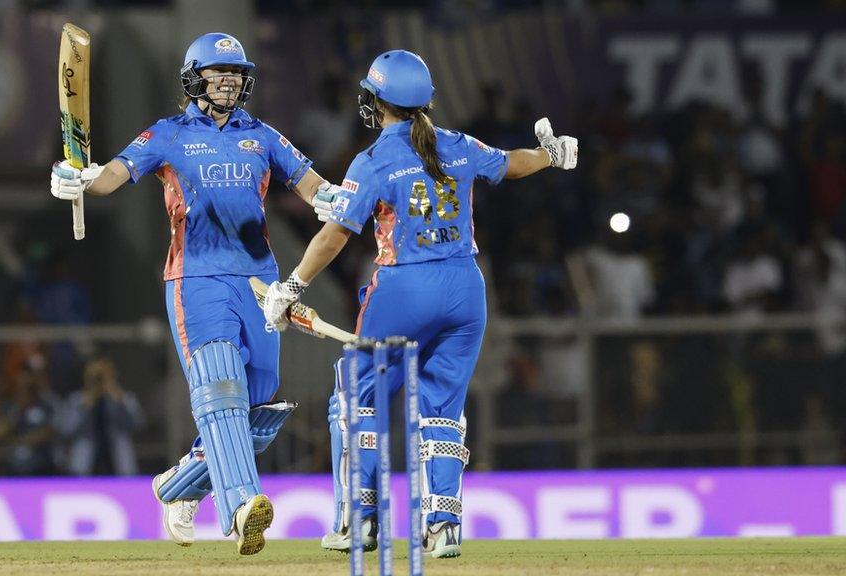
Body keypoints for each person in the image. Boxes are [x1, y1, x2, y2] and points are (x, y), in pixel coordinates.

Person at [262, 49, 577, 558]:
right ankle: (444, 525)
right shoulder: (457, 144)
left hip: (404, 289)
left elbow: (336, 235)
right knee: (443, 411)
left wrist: (291, 286)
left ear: (377, 101)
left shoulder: (374, 160)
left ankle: (359, 522)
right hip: (465, 290)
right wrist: (552, 155)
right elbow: (511, 164)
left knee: (356, 400)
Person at [49, 32, 337, 555]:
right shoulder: (167, 134)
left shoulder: (262, 135)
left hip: (260, 282)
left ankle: (178, 487)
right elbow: (111, 176)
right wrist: (77, 179)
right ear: (194, 78)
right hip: (197, 278)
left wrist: (342, 198)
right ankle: (243, 505)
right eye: (218, 71)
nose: (229, 80)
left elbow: (314, 186)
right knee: (219, 389)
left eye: (236, 72)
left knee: (259, 405)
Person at [58, 357, 144, 476]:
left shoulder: (124, 398)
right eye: (95, 377)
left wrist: (118, 401)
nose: (99, 381)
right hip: (84, 464)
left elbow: (137, 424)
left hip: (119, 464)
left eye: (102, 377)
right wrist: (85, 407)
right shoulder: (76, 401)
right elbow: (66, 430)